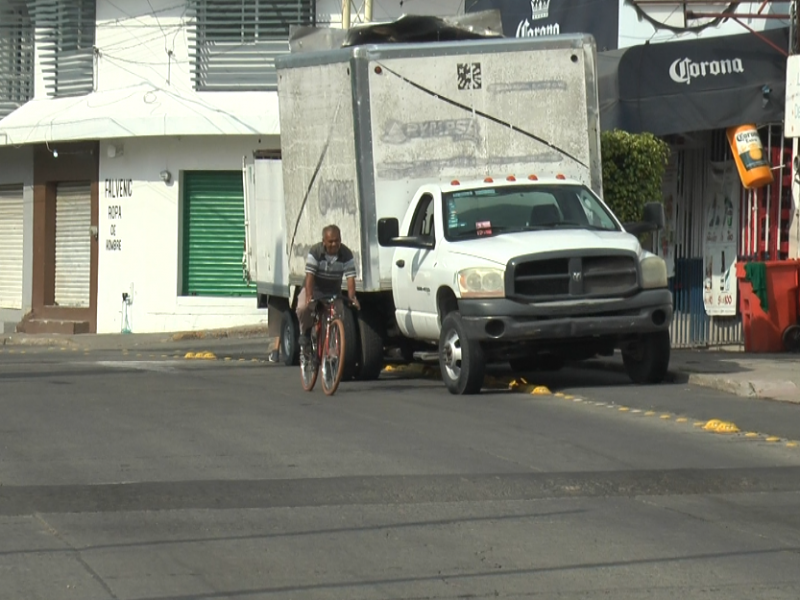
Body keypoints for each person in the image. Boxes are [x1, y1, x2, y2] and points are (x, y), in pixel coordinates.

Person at [296, 225, 360, 353]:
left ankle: (332, 347)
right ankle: (306, 334)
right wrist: (309, 295)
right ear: (324, 241)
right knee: (303, 308)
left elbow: (350, 278)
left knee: (338, 315)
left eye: (337, 240)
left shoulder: (346, 254)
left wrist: (352, 297)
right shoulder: (315, 251)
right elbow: (310, 276)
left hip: (333, 292)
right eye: (330, 241)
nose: (334, 244)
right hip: (314, 289)